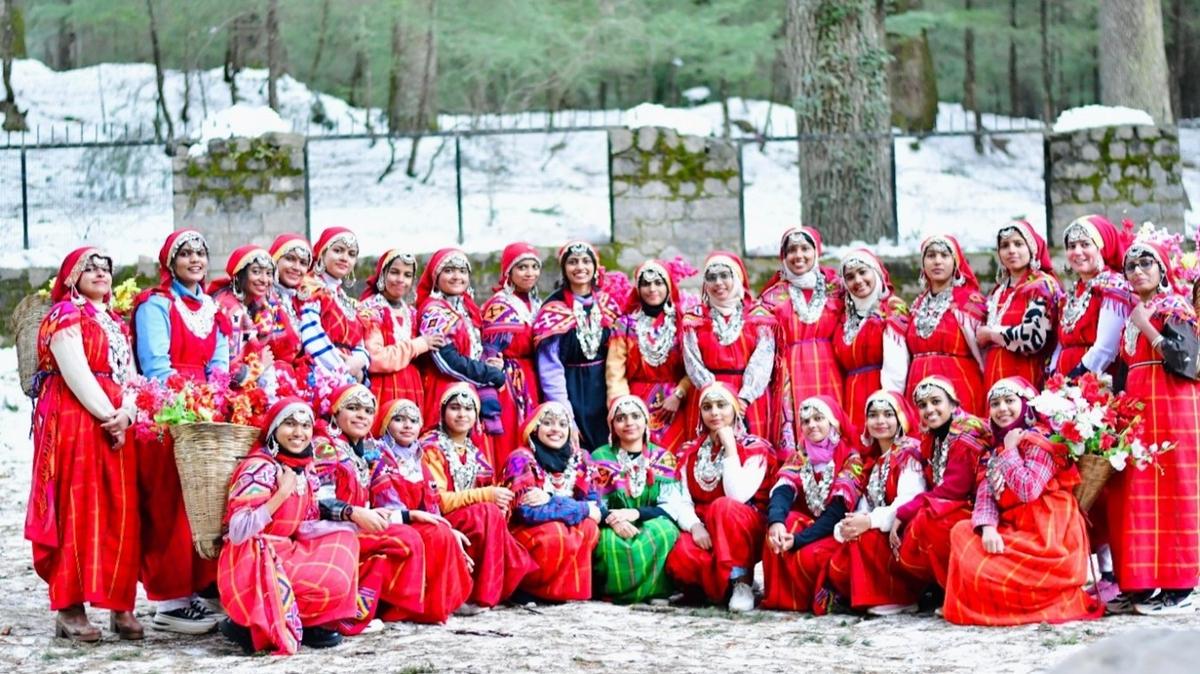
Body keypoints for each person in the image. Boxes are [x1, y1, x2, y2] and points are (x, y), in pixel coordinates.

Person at [26, 248, 140, 641]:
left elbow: (131, 374)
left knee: (120, 507)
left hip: (115, 420)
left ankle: (119, 602)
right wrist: (110, 414)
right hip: (76, 417)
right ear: (71, 276)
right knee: (80, 505)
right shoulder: (65, 315)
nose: (99, 273)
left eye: (105, 268)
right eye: (89, 267)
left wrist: (130, 411)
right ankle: (70, 606)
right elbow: (74, 370)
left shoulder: (115, 322)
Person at [132, 229, 230, 634]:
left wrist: (217, 400)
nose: (194, 260)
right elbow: (156, 364)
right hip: (168, 411)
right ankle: (169, 599)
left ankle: (197, 587)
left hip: (205, 413)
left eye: (200, 253)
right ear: (170, 263)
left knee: (204, 501)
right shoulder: (156, 305)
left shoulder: (212, 307)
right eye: (185, 253)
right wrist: (189, 403)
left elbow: (220, 362)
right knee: (170, 503)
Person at [943, 377, 1103, 626]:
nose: (1002, 409)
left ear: (1026, 405)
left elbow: (1028, 489)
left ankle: (1028, 603)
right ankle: (1006, 603)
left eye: (1009, 401)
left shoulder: (1042, 440)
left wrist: (1010, 451)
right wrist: (987, 528)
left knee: (985, 562)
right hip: (1015, 528)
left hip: (1049, 532)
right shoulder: (993, 451)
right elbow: (985, 495)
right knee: (961, 532)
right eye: (995, 403)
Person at [216, 398, 359, 654]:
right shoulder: (258, 467)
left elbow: (306, 524)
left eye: (306, 426)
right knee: (330, 575)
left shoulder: (304, 469)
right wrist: (280, 494)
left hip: (286, 548)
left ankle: (310, 621)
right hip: (253, 556)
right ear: (273, 430)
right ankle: (253, 621)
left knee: (345, 543)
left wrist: (349, 523)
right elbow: (238, 531)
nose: (299, 432)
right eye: (290, 424)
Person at [1107, 238, 1200, 615]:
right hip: (1140, 411)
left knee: (1176, 489)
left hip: (1175, 408)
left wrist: (1148, 327)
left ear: (1162, 269)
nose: (1138, 270)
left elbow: (1189, 361)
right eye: (1131, 266)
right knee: (1140, 492)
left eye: (1147, 263)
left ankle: (1182, 585)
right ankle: (1142, 583)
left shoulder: (1174, 307)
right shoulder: (1133, 313)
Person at [312, 384, 426, 633]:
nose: (361, 415)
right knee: (402, 540)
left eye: (367, 410)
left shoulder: (369, 451)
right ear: (335, 413)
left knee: (411, 535)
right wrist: (352, 512)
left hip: (355, 522)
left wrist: (408, 514)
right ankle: (352, 613)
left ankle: (390, 608)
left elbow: (373, 505)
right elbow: (317, 501)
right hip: (327, 530)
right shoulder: (324, 446)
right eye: (352, 408)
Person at [420, 383, 538, 614]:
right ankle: (483, 594)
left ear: (476, 416)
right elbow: (438, 501)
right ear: (442, 412)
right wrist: (487, 496)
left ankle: (489, 590)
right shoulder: (431, 447)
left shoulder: (475, 452)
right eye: (455, 407)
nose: (462, 414)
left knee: (493, 515)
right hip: (438, 518)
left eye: (468, 408)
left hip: (473, 518)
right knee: (487, 513)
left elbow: (489, 491)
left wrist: (501, 501)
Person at [665, 382, 780, 612]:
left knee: (723, 507)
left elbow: (737, 495)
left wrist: (730, 447)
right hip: (707, 528)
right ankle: (719, 587)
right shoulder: (691, 451)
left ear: (735, 409)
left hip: (743, 526)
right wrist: (695, 526)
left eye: (721, 405)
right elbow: (682, 497)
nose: (714, 412)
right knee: (682, 556)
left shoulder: (755, 447)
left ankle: (742, 581)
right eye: (707, 407)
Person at [370, 398, 473, 623]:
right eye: (399, 420)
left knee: (443, 532)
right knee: (435, 534)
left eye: (413, 421)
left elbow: (431, 503)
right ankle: (416, 606)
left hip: (414, 520)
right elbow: (387, 504)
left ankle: (443, 602)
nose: (407, 426)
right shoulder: (379, 456)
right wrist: (422, 520)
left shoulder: (417, 456)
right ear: (386, 423)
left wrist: (447, 526)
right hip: (388, 522)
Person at [892, 376, 992, 604]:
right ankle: (946, 587)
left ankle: (961, 592)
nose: (929, 410)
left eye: (936, 401)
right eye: (923, 405)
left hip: (981, 509)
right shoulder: (935, 437)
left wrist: (903, 511)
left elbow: (954, 489)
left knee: (930, 520)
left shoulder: (965, 433)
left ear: (954, 404)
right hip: (961, 503)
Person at [826, 391, 926, 616]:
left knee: (865, 538)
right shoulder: (873, 460)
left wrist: (870, 521)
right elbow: (866, 504)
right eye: (873, 415)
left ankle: (901, 597)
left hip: (903, 526)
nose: (880, 421)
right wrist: (851, 523)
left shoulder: (909, 453)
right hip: (881, 524)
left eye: (888, 414)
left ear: (900, 418)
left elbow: (910, 499)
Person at [761, 396, 864, 614]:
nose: (811, 425)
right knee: (779, 529)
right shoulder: (801, 456)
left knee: (809, 555)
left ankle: (826, 599)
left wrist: (799, 540)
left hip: (836, 530)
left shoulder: (850, 458)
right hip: (810, 525)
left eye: (818, 418)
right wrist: (776, 522)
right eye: (806, 421)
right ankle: (783, 601)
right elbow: (783, 490)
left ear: (832, 422)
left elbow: (837, 511)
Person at [503, 401, 603, 602]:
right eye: (548, 423)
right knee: (555, 532)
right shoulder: (521, 458)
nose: (556, 429)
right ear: (535, 428)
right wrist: (581, 508)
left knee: (589, 527)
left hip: (563, 524)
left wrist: (550, 500)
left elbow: (597, 506)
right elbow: (527, 511)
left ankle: (566, 592)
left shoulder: (581, 458)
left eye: (562, 424)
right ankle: (530, 590)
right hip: (526, 530)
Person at [759, 227, 846, 454]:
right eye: (792, 250)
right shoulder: (771, 296)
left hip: (830, 368)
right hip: (790, 370)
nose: (798, 255)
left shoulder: (836, 288)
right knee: (798, 424)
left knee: (832, 421)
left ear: (816, 252)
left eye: (805, 249)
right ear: (783, 257)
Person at [591, 395, 681, 604]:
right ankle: (616, 593)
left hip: (650, 520)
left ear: (646, 421)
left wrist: (636, 513)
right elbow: (593, 503)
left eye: (635, 416)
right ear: (612, 425)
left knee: (665, 532)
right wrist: (614, 521)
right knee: (607, 542)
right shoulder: (599, 457)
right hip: (611, 523)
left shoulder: (664, 458)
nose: (629, 422)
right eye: (621, 418)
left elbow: (672, 507)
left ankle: (656, 591)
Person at [533, 241, 621, 451]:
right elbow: (550, 367)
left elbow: (620, 356)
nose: (580, 267)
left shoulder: (608, 305)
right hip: (569, 389)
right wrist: (565, 413)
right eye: (572, 262)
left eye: (585, 261)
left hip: (605, 388)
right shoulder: (553, 309)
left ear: (595, 266)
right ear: (564, 269)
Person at [416, 247, 505, 453]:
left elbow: (472, 351)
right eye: (449, 271)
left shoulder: (465, 308)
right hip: (444, 390)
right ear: (436, 277)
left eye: (462, 271)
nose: (457, 276)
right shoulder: (434, 311)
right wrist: (488, 374)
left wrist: (490, 363)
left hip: (468, 387)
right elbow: (447, 361)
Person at [681, 252, 776, 439]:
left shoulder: (758, 316)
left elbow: (763, 360)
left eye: (725, 275)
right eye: (712, 277)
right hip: (709, 396)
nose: (718, 283)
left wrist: (744, 398)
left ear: (738, 277)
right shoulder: (694, 318)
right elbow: (692, 361)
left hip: (748, 396)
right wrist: (713, 394)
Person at [606, 259, 692, 455]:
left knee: (674, 459)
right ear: (638, 288)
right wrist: (623, 407)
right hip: (635, 402)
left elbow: (694, 367)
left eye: (658, 283)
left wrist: (679, 394)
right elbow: (615, 373)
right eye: (646, 283)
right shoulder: (624, 325)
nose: (652, 289)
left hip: (675, 404)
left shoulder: (684, 322)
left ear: (668, 286)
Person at [906, 235, 987, 417]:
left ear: (956, 261)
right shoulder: (916, 305)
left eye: (944, 255)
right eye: (931, 255)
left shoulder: (969, 302)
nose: (937, 261)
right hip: (917, 387)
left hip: (958, 387)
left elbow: (984, 356)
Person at [977, 220, 1062, 391]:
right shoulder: (998, 291)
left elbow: (1032, 337)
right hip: (994, 373)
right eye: (1005, 245)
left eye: (1018, 244)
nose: (1011, 251)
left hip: (1026, 372)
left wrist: (991, 334)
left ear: (1031, 248)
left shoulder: (1042, 286)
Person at [481, 242, 544, 469]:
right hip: (509, 382)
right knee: (512, 434)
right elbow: (489, 351)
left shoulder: (539, 305)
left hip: (535, 377)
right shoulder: (499, 305)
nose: (529, 273)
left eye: (534, 267)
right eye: (522, 267)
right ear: (509, 272)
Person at [832, 249, 909, 432]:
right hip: (850, 401)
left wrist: (890, 406)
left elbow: (898, 367)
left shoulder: (890, 309)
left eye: (862, 272)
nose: (858, 280)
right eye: (850, 277)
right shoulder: (843, 319)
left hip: (880, 397)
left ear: (875, 272)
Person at [1050, 214, 1134, 380]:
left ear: (1101, 248)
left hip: (1097, 380)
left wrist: (1073, 379)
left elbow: (1106, 347)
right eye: (1071, 246)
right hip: (1065, 383)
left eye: (1085, 244)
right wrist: (1053, 375)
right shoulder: (1070, 294)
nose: (1077, 252)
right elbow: (1061, 344)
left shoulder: (1113, 286)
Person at [359, 249, 442, 406]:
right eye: (395, 272)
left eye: (407, 275)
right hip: (382, 389)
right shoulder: (370, 310)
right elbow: (375, 358)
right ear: (382, 274)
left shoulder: (412, 313)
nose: (400, 280)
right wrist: (417, 345)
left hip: (413, 389)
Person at [299, 227, 370, 383]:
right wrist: (344, 372)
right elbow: (312, 339)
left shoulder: (345, 299)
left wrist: (360, 362)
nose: (345, 258)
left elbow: (360, 343)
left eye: (351, 254)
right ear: (323, 253)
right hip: (322, 374)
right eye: (338, 250)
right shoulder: (310, 289)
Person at [209, 245, 281, 384]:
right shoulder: (228, 307)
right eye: (256, 272)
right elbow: (227, 371)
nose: (264, 280)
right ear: (240, 275)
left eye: (268, 273)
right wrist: (260, 365)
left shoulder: (260, 306)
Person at [267, 233, 317, 387]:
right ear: (274, 260)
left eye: (302, 263)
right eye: (290, 259)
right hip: (268, 383)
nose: (296, 267)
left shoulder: (301, 301)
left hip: (299, 383)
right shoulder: (261, 298)